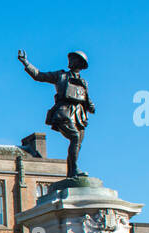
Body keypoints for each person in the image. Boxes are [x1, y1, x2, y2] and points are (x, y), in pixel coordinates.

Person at [18, 49, 95, 178]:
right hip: (64, 112)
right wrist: (25, 62)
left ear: (80, 64)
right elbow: (39, 75)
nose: (70, 61)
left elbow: (86, 98)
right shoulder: (61, 75)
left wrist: (91, 106)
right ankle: (74, 169)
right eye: (70, 58)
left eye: (73, 59)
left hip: (79, 114)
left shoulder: (83, 82)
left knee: (77, 144)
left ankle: (72, 172)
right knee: (75, 138)